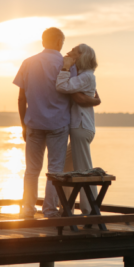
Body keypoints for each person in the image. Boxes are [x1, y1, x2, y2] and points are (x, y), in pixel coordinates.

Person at [13, 28, 100, 219]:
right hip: (58, 125)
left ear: (43, 41)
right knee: (55, 171)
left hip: (33, 123)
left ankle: (28, 209)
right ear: (60, 42)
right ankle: (50, 210)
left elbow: (21, 98)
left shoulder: (27, 63)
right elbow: (76, 95)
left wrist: (23, 125)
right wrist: (95, 101)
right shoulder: (68, 64)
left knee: (31, 170)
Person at [56, 43, 99, 214]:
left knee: (84, 171)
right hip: (81, 128)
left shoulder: (86, 76)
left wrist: (65, 68)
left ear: (82, 56)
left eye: (75, 51)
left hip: (81, 127)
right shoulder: (84, 76)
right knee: (68, 168)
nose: (71, 52)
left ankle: (90, 211)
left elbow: (62, 86)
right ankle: (66, 209)